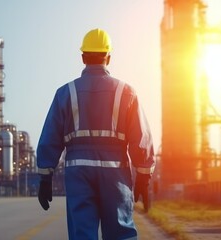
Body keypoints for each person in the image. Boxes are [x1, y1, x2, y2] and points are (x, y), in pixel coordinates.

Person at [36, 28, 156, 240]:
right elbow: (141, 137)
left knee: (83, 233)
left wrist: (45, 177)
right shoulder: (126, 92)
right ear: (108, 57)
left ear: (83, 57)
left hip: (78, 172)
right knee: (121, 233)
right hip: (115, 173)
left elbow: (50, 137)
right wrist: (144, 178)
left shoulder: (65, 92)